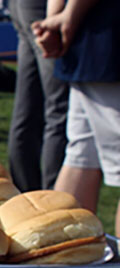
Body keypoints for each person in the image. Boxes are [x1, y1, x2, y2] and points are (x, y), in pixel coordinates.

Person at [33, 0, 120, 236]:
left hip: (90, 38)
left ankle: (61, 262)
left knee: (81, 156)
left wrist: (56, 18)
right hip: (103, 35)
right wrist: (66, 16)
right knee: (81, 156)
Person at [8, 0, 69, 193]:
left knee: (28, 109)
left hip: (25, 8)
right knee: (59, 111)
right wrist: (53, 18)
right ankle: (49, 201)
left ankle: (26, 198)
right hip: (45, 9)